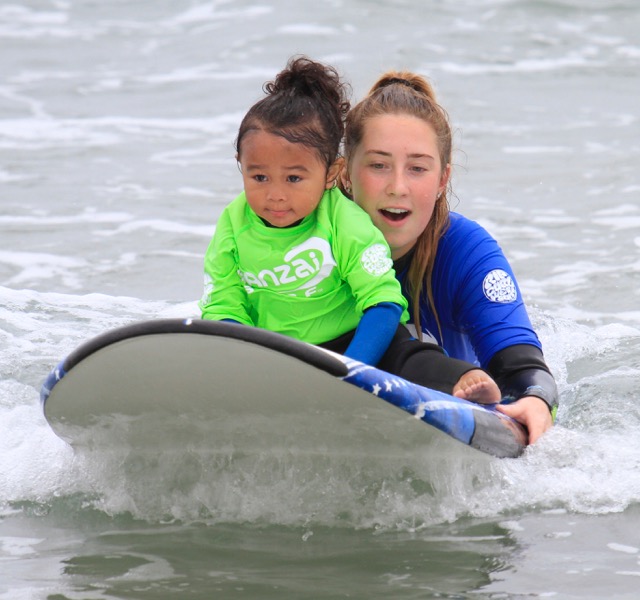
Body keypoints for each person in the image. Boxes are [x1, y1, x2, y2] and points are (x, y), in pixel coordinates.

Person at [199, 56, 501, 403]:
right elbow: (224, 306)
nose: (276, 194)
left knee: (407, 355)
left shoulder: (345, 222)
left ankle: (462, 380)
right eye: (259, 176)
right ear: (241, 167)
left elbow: (384, 303)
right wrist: (247, 360)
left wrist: (349, 373)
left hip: (355, 341)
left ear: (331, 173)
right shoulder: (232, 224)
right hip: (277, 350)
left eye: (294, 177)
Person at [340, 71, 558, 444]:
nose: (397, 187)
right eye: (378, 165)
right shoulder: (306, 247)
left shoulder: (465, 251)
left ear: (443, 180)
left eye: (418, 168)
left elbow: (521, 368)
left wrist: (536, 400)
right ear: (345, 173)